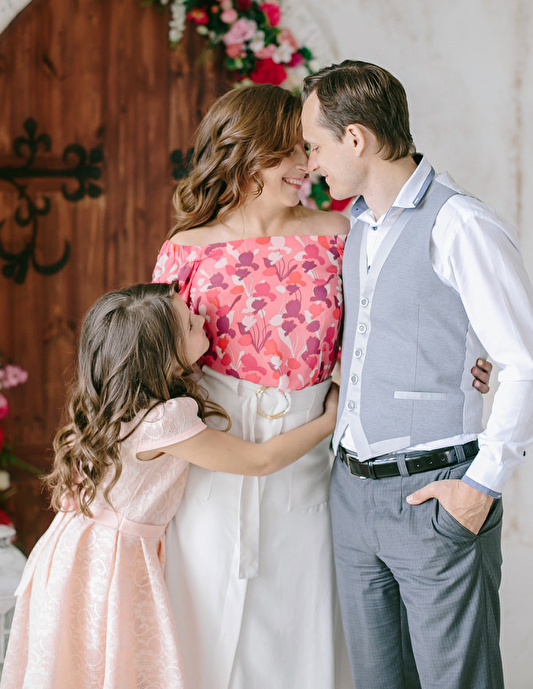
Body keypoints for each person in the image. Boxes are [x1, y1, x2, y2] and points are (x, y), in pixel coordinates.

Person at [152, 83, 492, 689]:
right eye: (289, 151)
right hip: (214, 465)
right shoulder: (186, 250)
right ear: (245, 153)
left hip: (310, 467)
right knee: (205, 624)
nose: (306, 165)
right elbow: (154, 365)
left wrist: (473, 356)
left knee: (303, 631)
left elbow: (399, 315)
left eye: (307, 148)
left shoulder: (341, 232)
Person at [301, 59, 533, 689]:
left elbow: (523, 363)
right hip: (351, 496)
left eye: (315, 145)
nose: (311, 163)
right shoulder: (354, 228)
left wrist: (479, 487)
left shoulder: (461, 223)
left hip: (436, 495)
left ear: (356, 138)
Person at [0, 282, 338, 689]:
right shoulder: (162, 421)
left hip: (72, 552)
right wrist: (328, 420)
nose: (202, 317)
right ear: (162, 356)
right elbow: (259, 460)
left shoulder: (109, 404)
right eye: (189, 324)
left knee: (80, 666)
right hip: (109, 561)